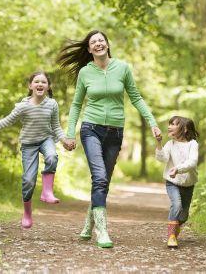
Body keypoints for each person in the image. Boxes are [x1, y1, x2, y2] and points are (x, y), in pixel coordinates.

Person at [57, 30, 162, 248]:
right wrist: (69, 133)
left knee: (103, 182)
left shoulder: (122, 68)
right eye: (93, 42)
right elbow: (77, 104)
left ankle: (88, 223)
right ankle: (102, 231)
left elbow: (136, 97)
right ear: (88, 49)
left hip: (115, 131)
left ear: (107, 44)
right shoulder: (86, 72)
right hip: (91, 129)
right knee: (100, 177)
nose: (98, 44)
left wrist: (152, 122)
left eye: (101, 40)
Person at [0, 71, 73, 229]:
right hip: (29, 144)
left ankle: (47, 192)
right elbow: (6, 121)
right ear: (30, 86)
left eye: (43, 82)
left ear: (48, 87)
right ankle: (27, 213)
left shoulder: (52, 104)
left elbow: (56, 127)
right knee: (28, 180)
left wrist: (64, 140)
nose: (40, 84)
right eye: (36, 82)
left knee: (52, 157)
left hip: (46, 139)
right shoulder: (23, 107)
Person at [155, 116, 199, 248]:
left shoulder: (193, 144)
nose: (169, 126)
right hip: (172, 182)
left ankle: (175, 226)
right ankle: (172, 236)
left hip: (188, 184)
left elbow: (192, 162)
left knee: (184, 215)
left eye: (173, 124)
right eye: (169, 124)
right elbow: (162, 159)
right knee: (177, 205)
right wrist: (159, 143)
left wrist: (178, 169)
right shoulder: (170, 144)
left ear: (184, 129)